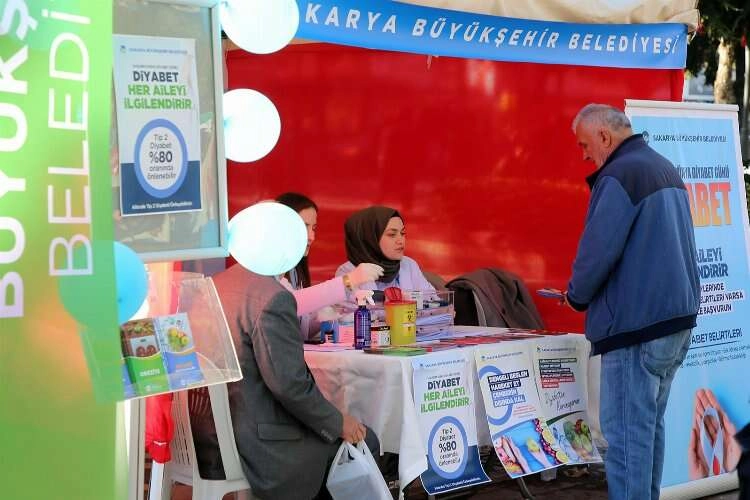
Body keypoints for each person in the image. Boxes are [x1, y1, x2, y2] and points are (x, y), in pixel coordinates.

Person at [562, 103, 700, 500]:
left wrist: (575, 296)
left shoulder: (620, 174)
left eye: (584, 145)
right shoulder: (663, 166)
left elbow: (597, 251)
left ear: (604, 136)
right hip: (674, 322)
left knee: (626, 440)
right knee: (647, 430)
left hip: (637, 327)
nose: (584, 155)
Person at [191, 265, 379, 500]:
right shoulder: (271, 297)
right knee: (365, 441)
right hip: (260, 446)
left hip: (209, 437)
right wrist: (337, 423)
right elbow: (291, 387)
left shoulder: (213, 284)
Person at [276, 192, 383, 339]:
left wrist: (325, 315)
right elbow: (292, 303)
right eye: (304, 226)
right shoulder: (265, 270)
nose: (311, 237)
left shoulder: (294, 271)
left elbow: (301, 330)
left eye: (313, 228)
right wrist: (349, 281)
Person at [336, 205, 435, 292]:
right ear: (370, 238)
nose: (401, 241)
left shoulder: (408, 264)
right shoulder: (348, 272)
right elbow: (356, 307)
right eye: (392, 234)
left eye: (403, 233)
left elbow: (433, 300)